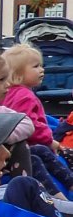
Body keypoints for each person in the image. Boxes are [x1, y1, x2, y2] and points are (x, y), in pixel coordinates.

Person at [4, 45, 73, 195]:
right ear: (18, 73)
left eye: (41, 65)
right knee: (61, 155)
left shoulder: (9, 92)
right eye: (36, 66)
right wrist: (50, 140)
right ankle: (69, 184)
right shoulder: (24, 96)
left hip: (22, 144)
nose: (42, 69)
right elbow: (30, 124)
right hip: (32, 143)